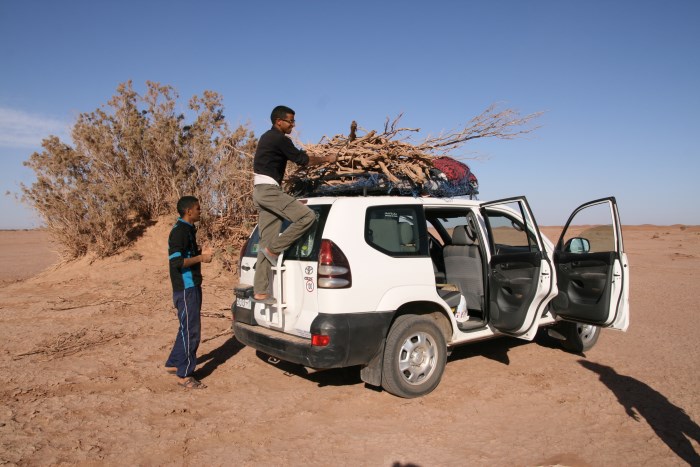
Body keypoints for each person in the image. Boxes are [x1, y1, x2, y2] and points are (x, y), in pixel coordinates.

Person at [252, 105, 336, 302]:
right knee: (307, 216)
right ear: (278, 121)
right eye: (290, 121)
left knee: (265, 240)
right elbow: (302, 159)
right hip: (269, 191)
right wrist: (327, 159)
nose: (293, 125)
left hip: (260, 191)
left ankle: (260, 291)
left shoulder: (267, 137)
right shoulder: (279, 138)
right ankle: (275, 249)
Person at [165, 196, 213, 389]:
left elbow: (186, 254)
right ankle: (184, 375)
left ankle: (174, 362)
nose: (200, 211)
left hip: (191, 286)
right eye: (198, 208)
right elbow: (176, 262)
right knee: (191, 330)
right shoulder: (180, 232)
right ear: (188, 211)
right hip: (186, 288)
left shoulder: (188, 230)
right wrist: (201, 258)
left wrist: (201, 252)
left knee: (185, 327)